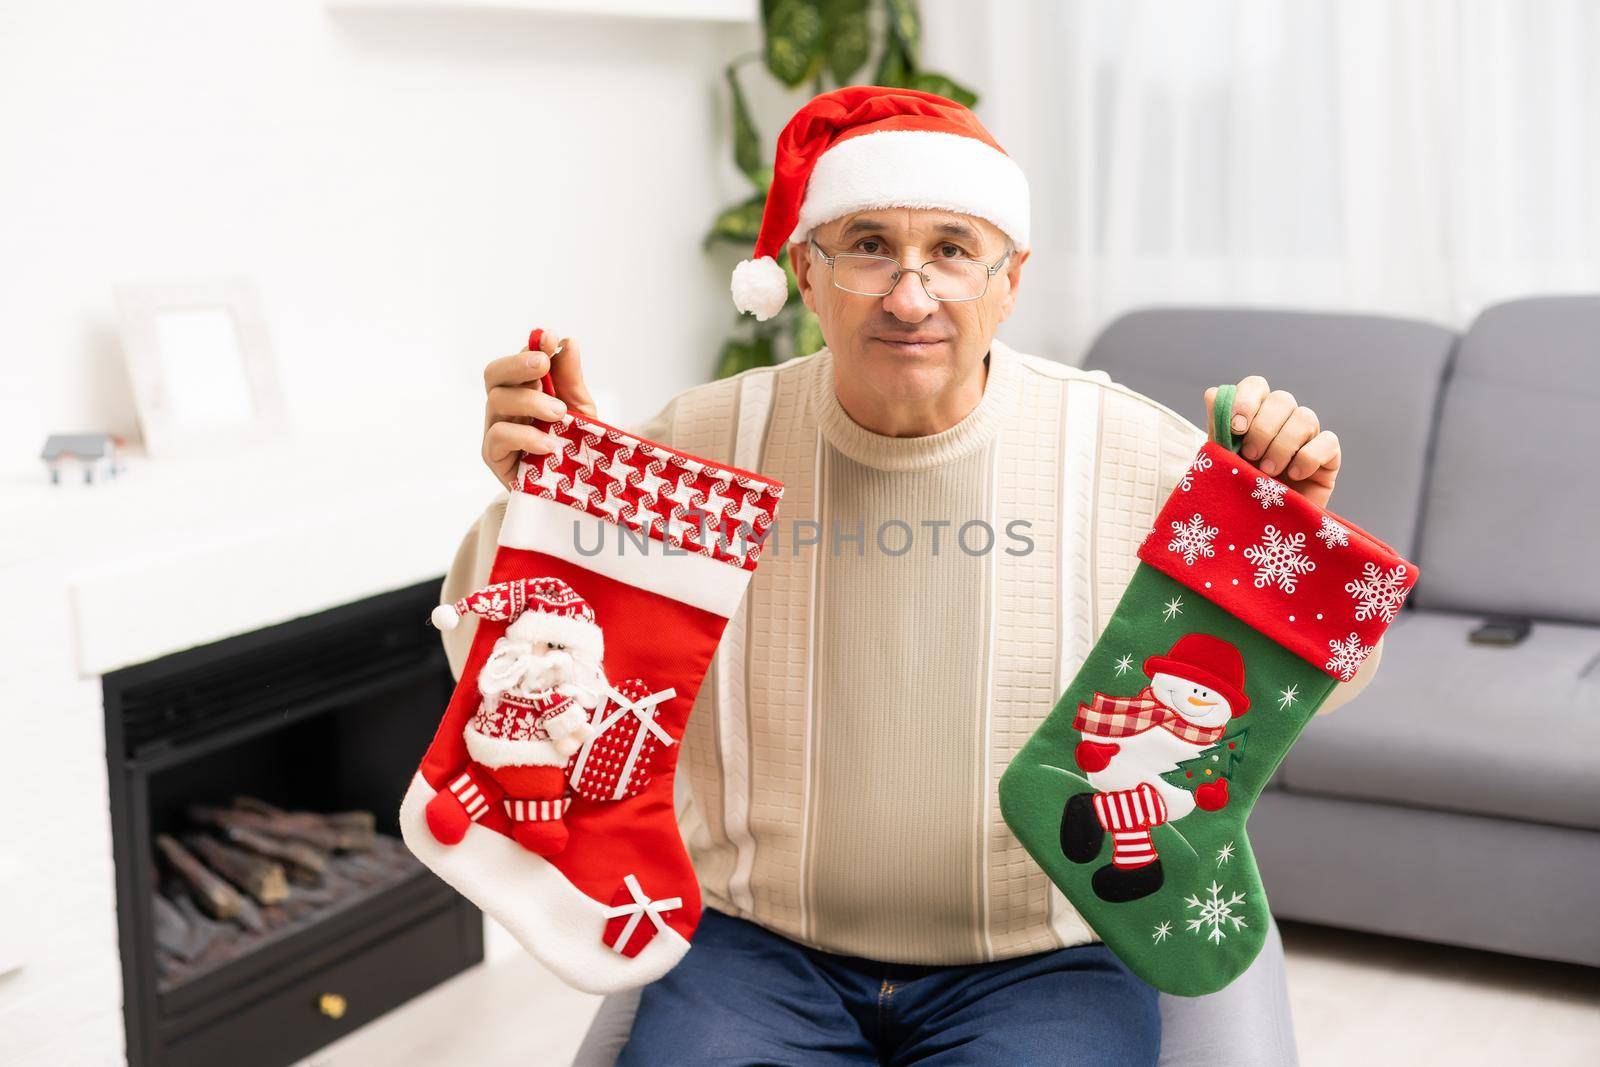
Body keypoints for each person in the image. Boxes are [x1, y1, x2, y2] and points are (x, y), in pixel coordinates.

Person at [441, 86, 1379, 1064]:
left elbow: (1325, 687)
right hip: (749, 943)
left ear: (1010, 280)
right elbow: (495, 653)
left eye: (951, 249)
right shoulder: (704, 442)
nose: (909, 293)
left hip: (1043, 955)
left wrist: (1294, 539)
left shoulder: (1128, 450)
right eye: (867, 245)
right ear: (806, 272)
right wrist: (539, 506)